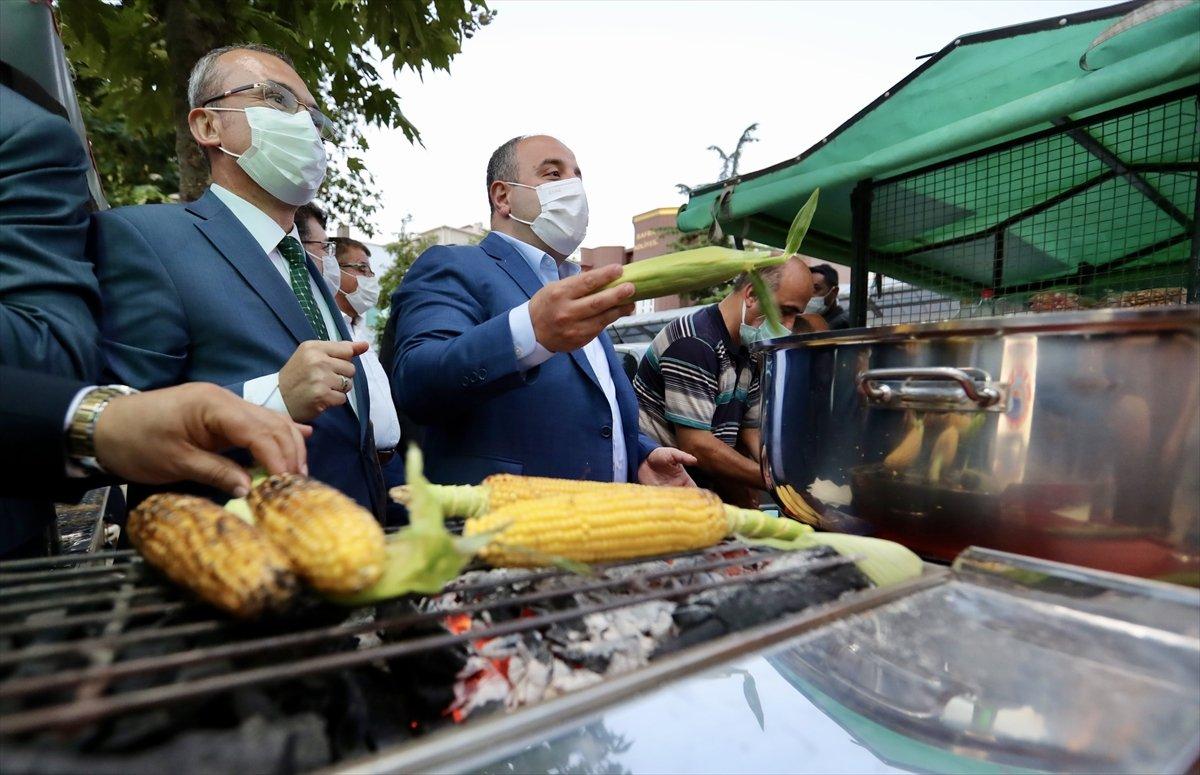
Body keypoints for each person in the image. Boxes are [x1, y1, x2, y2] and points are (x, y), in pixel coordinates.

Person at [90, 44, 385, 516]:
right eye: (279, 100)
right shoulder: (143, 238)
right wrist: (271, 399)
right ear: (207, 125)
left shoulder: (304, 260)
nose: (307, 125)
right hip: (230, 558)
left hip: (349, 549)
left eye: (314, 115)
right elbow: (106, 426)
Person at [390, 134, 695, 486]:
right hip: (502, 525)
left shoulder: (578, 285)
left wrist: (640, 455)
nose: (573, 186)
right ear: (502, 196)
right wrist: (529, 332)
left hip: (598, 523)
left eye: (577, 177)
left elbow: (595, 411)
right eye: (553, 174)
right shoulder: (454, 265)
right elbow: (418, 381)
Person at [634, 259, 814, 507]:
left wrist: (789, 468)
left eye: (796, 315)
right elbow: (697, 446)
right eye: (785, 310)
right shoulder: (694, 342)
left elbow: (752, 431)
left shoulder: (748, 349)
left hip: (696, 487)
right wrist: (778, 481)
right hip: (656, 488)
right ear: (751, 295)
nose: (789, 325)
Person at [808, 263, 851, 330]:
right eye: (807, 289)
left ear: (834, 292)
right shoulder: (814, 322)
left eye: (816, 289)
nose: (809, 295)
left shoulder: (840, 325)